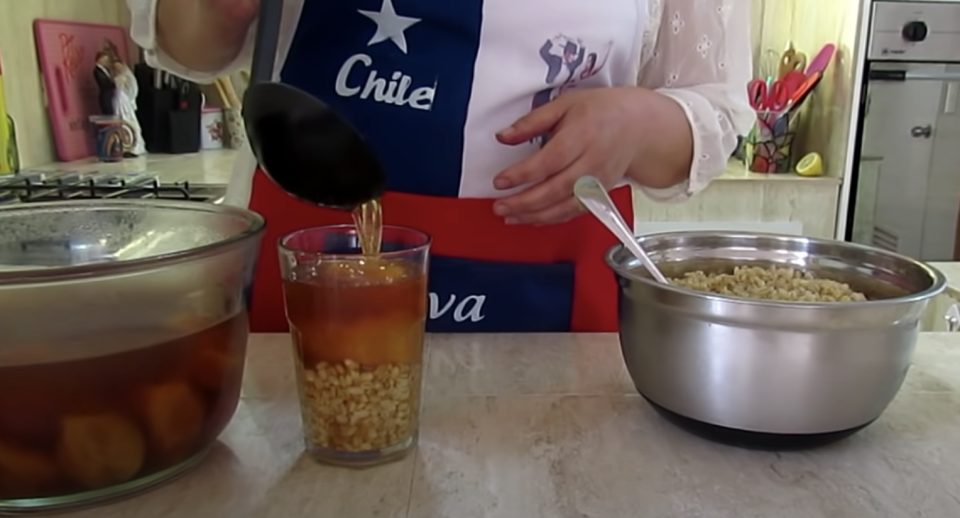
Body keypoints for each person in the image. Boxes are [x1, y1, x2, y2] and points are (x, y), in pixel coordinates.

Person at [128, 0, 755, 334]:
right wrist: (215, 8)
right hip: (300, 260)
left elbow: (715, 114)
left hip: (552, 283)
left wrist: (639, 124)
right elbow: (187, 43)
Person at [111, 61, 147, 157]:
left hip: (124, 101)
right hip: (119, 100)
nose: (117, 68)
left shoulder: (125, 77)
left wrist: (131, 100)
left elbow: (133, 89)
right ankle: (125, 147)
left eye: (118, 66)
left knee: (130, 123)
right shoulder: (119, 77)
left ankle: (134, 147)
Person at [92, 52, 117, 116]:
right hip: (105, 96)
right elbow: (104, 83)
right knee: (108, 114)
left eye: (107, 60)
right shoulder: (97, 71)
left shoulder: (106, 69)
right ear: (100, 59)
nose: (106, 61)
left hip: (110, 94)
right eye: (105, 59)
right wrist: (116, 83)